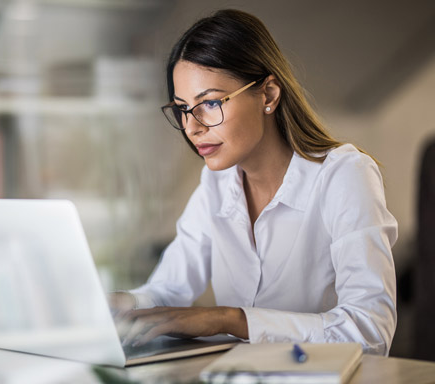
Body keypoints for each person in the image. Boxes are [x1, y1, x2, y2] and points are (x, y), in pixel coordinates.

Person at [108, 9, 397, 356]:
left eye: (210, 103)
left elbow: (371, 331)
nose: (192, 127)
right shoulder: (216, 184)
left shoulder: (344, 175)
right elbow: (169, 290)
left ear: (269, 95)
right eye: (183, 108)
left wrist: (231, 320)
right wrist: (119, 304)